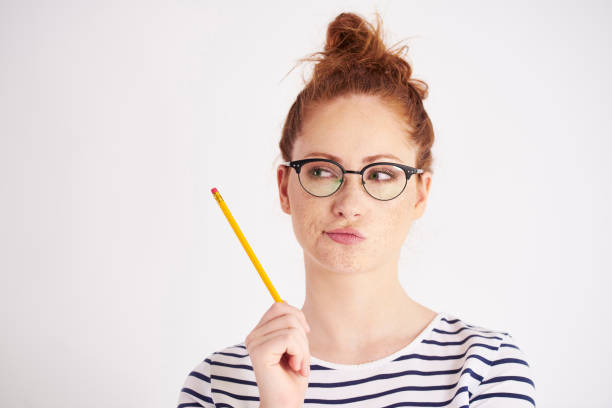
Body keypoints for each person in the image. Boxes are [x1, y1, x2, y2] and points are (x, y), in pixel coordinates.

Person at [177, 11, 536, 408]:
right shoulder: (217, 384)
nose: (349, 205)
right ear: (285, 187)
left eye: (381, 174)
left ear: (419, 194)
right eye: (321, 171)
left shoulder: (483, 369)